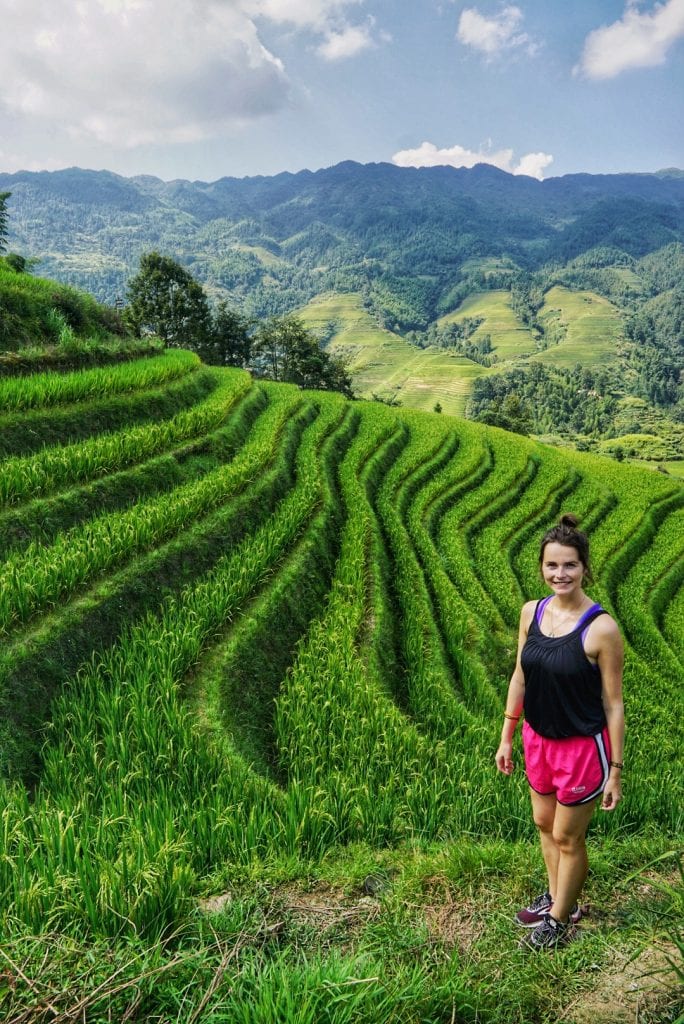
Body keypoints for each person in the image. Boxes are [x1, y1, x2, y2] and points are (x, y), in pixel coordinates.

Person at [495, 513, 625, 950]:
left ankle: (558, 919)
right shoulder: (532, 612)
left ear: (585, 567)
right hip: (538, 740)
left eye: (569, 565)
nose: (560, 574)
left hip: (582, 749)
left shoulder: (601, 628)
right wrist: (507, 735)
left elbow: (613, 703)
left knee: (568, 836)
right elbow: (520, 675)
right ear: (541, 568)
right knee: (543, 824)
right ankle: (557, 899)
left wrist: (616, 769)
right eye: (552, 565)